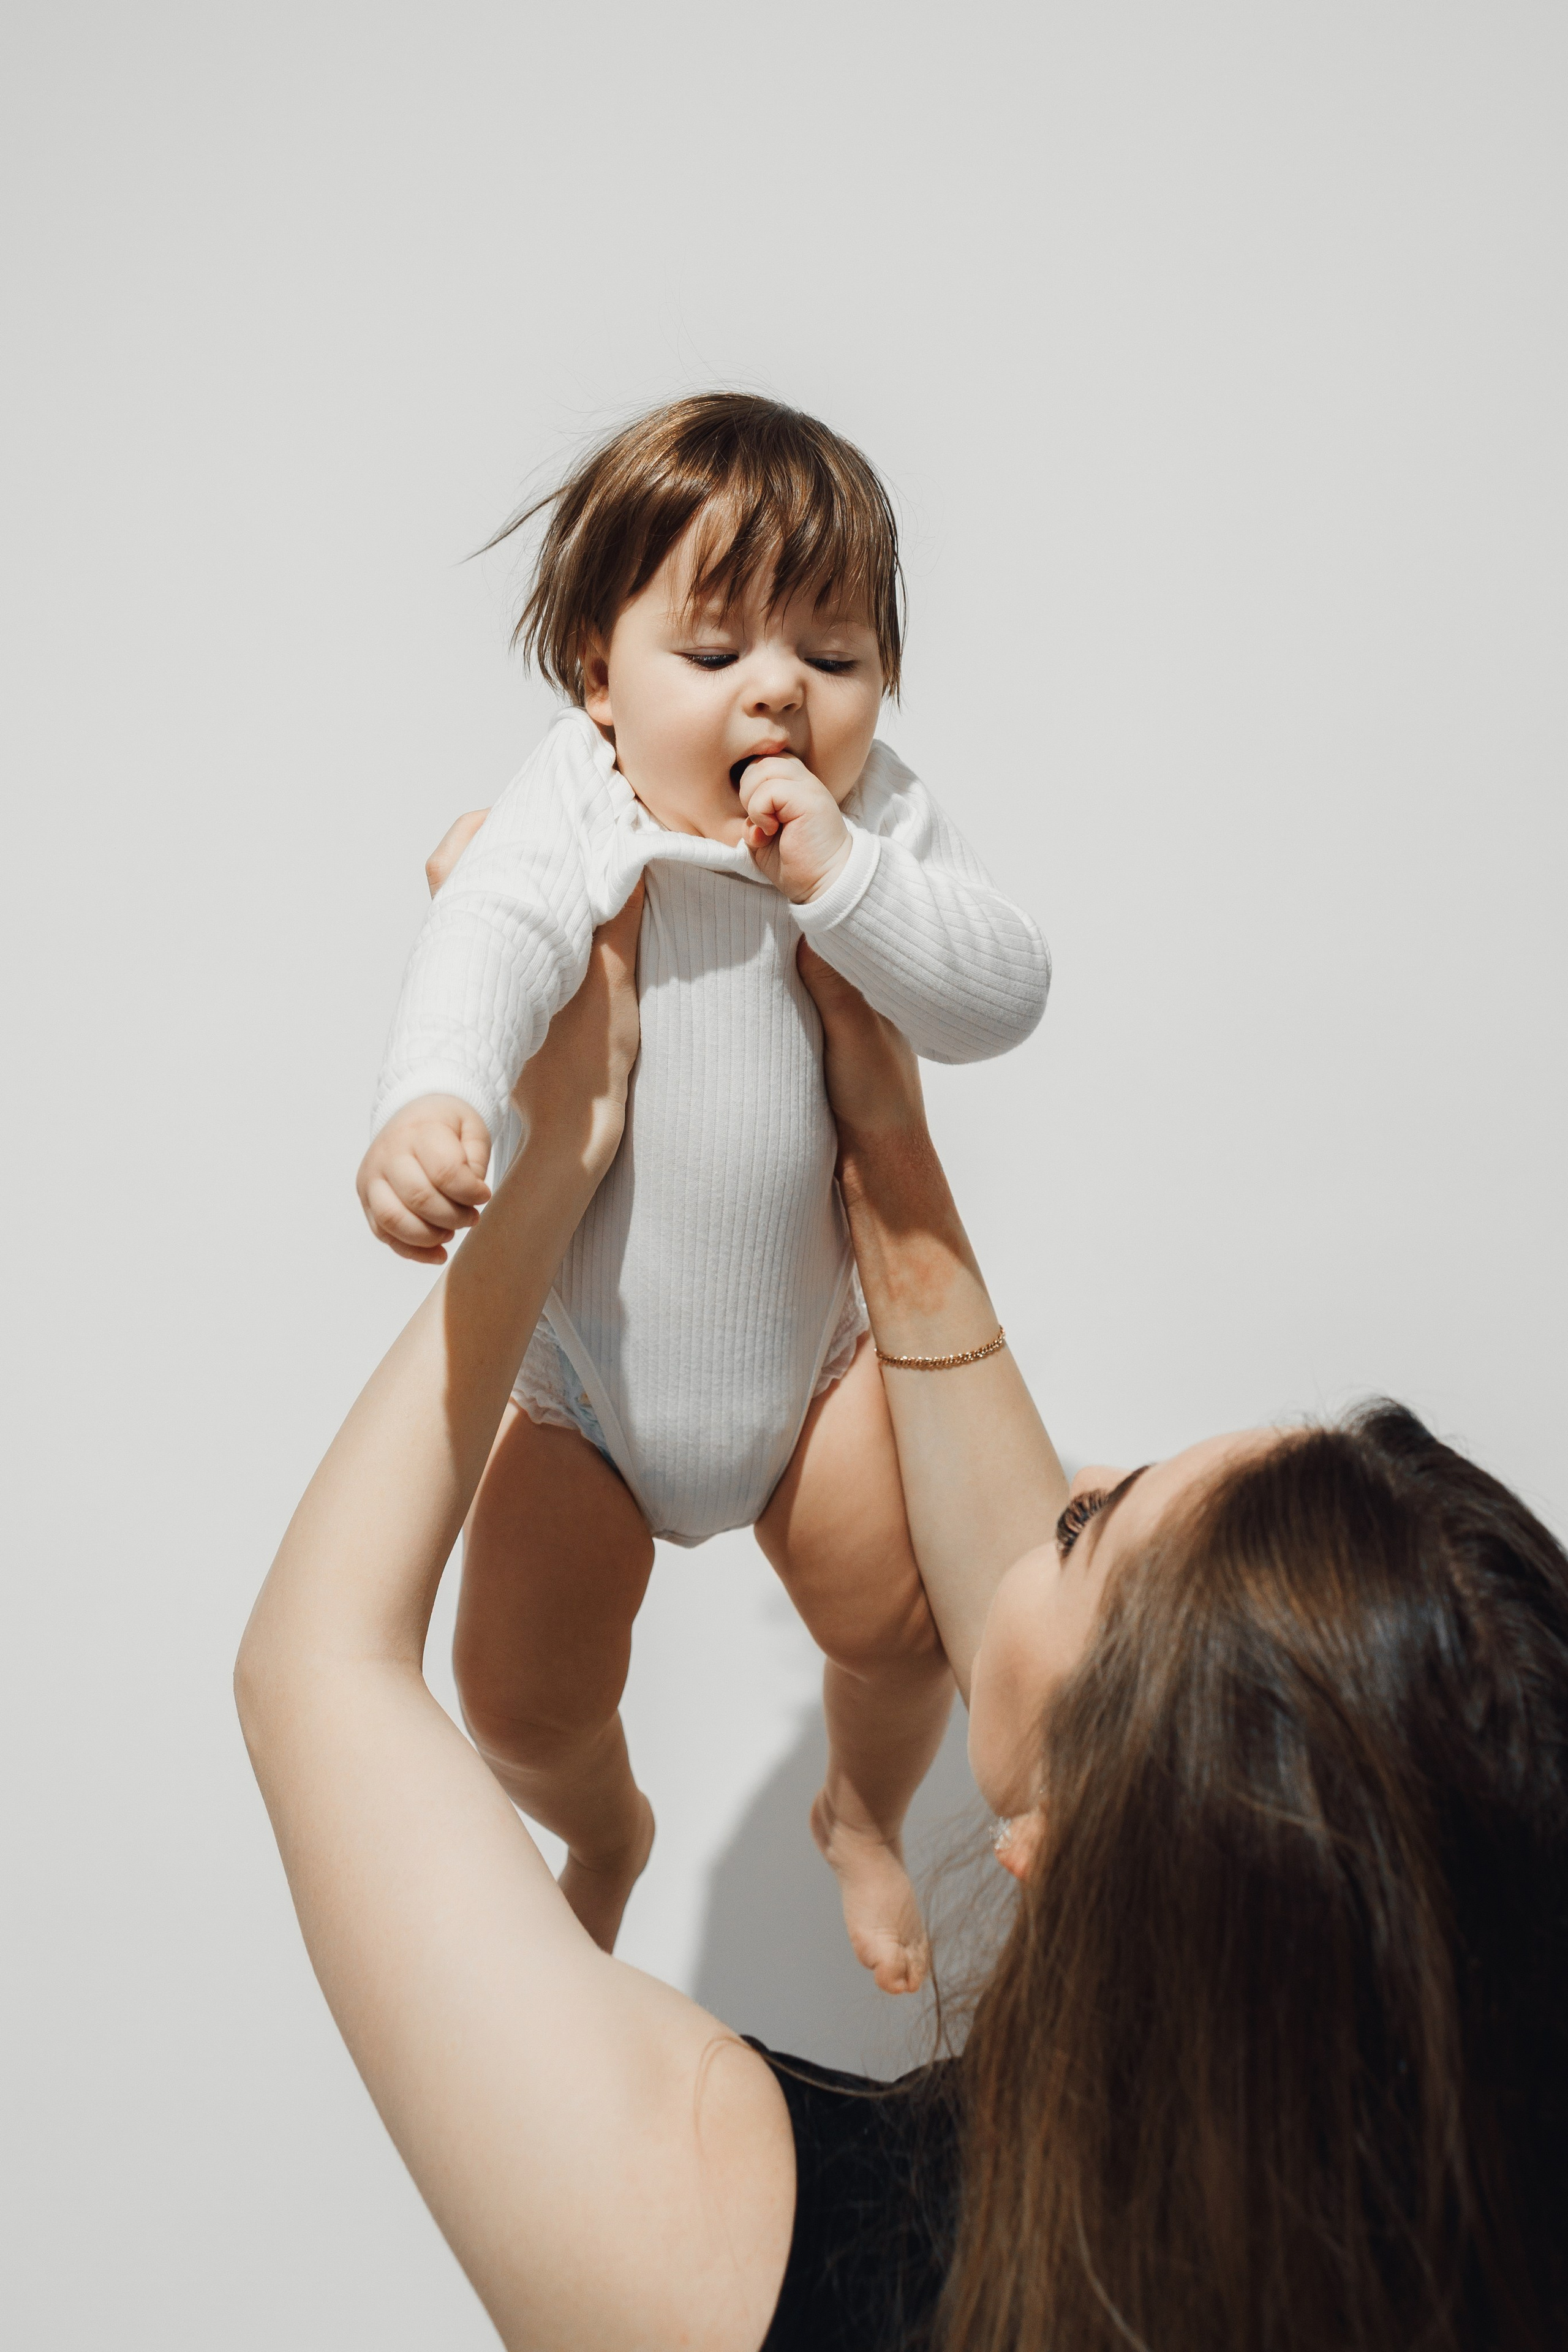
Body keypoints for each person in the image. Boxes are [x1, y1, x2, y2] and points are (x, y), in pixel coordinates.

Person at [239, 908, 1568, 2351]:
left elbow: (319, 1665)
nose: (1068, 1472)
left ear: (1064, 1848)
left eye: (1084, 1529)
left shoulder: (737, 2237)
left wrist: (563, 1145)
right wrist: (885, 1154)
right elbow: (1044, 1649)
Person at [355, 393, 1049, 1986]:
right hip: (589, 1395)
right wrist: (435, 1099)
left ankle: (860, 1816)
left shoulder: (877, 822)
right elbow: (494, 934)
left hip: (815, 1378)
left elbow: (999, 996)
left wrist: (846, 882)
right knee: (516, 1691)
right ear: (599, 677)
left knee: (905, 1627)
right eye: (718, 651)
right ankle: (606, 1828)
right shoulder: (580, 803)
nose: (780, 697)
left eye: (833, 654)